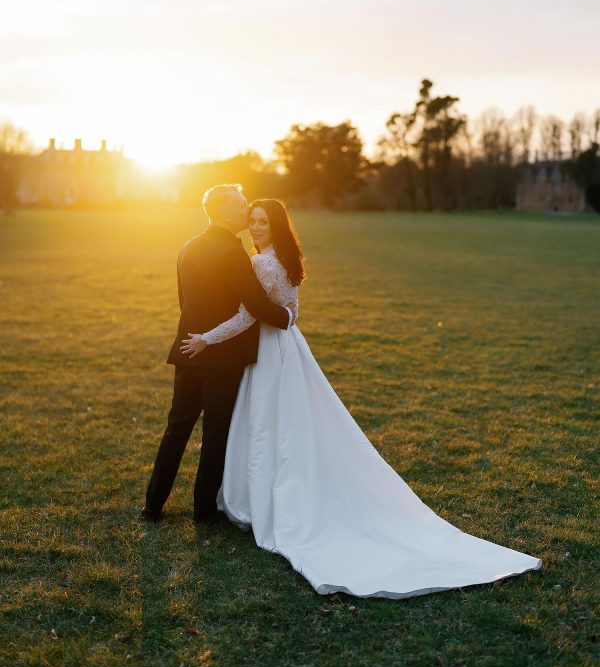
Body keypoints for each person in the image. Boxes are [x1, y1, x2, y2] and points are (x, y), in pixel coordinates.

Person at [179, 197, 542, 599]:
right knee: (288, 422)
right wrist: (283, 318)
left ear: (276, 225)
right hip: (288, 346)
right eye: (253, 221)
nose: (256, 227)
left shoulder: (262, 262)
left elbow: (250, 314)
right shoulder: (284, 257)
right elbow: (292, 312)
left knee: (266, 422)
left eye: (263, 222)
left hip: (268, 348)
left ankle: (262, 497)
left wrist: (206, 339)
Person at [142, 185, 292, 524]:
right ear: (225, 213)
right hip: (221, 358)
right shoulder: (232, 251)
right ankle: (204, 510)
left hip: (188, 351)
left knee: (176, 429)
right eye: (241, 205)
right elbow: (254, 305)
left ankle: (152, 506)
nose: (246, 210)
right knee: (215, 432)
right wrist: (288, 317)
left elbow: (185, 301)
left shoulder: (188, 247)